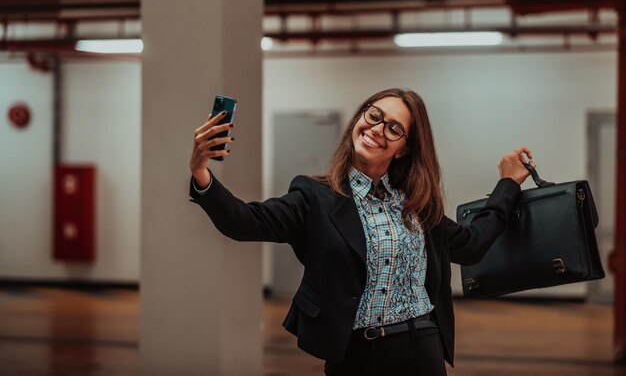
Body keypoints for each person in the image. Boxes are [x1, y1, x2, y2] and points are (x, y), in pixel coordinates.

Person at [188, 88, 534, 376]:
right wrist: (201, 171)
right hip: (356, 356)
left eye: (395, 128)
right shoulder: (315, 197)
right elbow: (244, 221)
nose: (378, 129)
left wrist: (507, 184)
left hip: (422, 349)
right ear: (358, 120)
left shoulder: (416, 203)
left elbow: (471, 245)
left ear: (405, 148)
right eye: (374, 116)